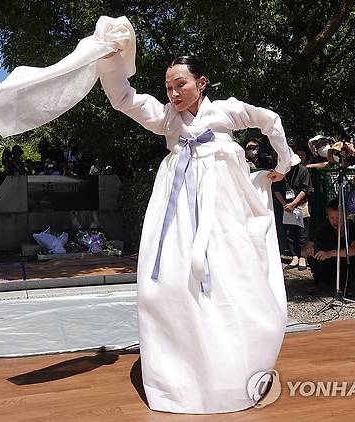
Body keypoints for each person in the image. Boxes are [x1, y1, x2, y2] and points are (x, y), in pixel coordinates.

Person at [98, 52, 291, 414]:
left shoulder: (226, 111)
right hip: (178, 209)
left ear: (201, 83)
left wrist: (283, 163)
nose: (173, 93)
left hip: (221, 205)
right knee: (173, 283)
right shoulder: (166, 116)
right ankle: (183, 372)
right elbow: (124, 99)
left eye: (181, 84)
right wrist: (109, 62)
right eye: (169, 87)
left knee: (229, 275)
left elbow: (271, 120)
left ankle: (232, 362)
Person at [301, 199, 355, 291]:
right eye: (331, 218)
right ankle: (321, 282)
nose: (335, 221)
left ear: (346, 215)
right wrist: (308, 250)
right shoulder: (323, 228)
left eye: (338, 217)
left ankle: (349, 283)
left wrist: (330, 253)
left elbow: (354, 250)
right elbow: (303, 250)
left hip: (346, 263)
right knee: (316, 252)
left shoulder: (354, 228)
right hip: (329, 263)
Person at [273, 152, 312, 271]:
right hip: (286, 206)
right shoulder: (280, 172)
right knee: (289, 231)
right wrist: (285, 205)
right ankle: (294, 255)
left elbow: (305, 189)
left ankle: (302, 256)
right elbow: (276, 189)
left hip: (300, 205)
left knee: (302, 231)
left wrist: (294, 203)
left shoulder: (303, 170)